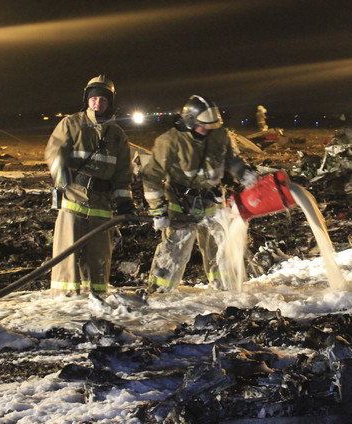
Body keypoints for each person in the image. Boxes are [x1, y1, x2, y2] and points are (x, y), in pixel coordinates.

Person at [142, 95, 259, 292]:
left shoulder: (220, 136)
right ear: (190, 121)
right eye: (204, 126)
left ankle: (225, 291)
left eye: (212, 126)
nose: (208, 130)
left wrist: (246, 175)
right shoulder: (170, 141)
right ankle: (160, 294)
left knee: (220, 250)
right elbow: (151, 177)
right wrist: (158, 211)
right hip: (181, 205)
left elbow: (234, 161)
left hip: (212, 203)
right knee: (175, 252)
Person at [45, 75, 136, 297]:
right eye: (94, 98)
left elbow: (123, 173)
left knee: (99, 257)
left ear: (109, 103)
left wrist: (125, 202)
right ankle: (65, 300)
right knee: (66, 255)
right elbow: (54, 153)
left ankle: (97, 298)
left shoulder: (117, 135)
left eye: (103, 100)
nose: (97, 103)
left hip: (102, 205)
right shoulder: (71, 124)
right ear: (87, 99)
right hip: (74, 199)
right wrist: (62, 179)